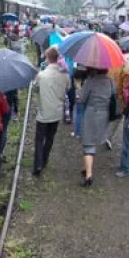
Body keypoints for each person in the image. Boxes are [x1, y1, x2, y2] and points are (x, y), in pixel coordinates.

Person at [32, 47, 71, 176]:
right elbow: (68, 88)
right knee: (50, 137)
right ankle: (44, 160)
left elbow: (35, 89)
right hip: (56, 112)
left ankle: (37, 165)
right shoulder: (65, 75)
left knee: (39, 139)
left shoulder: (41, 75)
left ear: (48, 58)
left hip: (43, 113)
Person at [80, 68, 114, 187]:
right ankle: (86, 166)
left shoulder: (91, 81)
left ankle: (88, 175)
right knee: (95, 140)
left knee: (88, 143)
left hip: (91, 113)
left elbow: (82, 99)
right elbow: (113, 96)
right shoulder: (110, 81)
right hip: (104, 114)